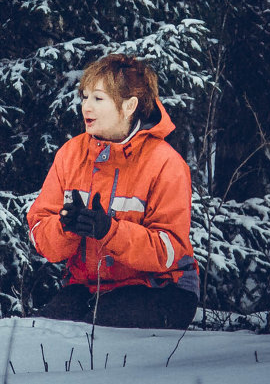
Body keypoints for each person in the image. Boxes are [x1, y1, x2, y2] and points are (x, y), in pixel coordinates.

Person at [27, 54, 199, 329]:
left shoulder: (166, 163)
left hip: (162, 288)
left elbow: (169, 250)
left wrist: (110, 231)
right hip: (90, 287)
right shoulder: (70, 154)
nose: (86, 107)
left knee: (102, 327)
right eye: (84, 97)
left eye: (98, 98)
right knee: (47, 330)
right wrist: (65, 228)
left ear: (129, 106)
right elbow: (38, 230)